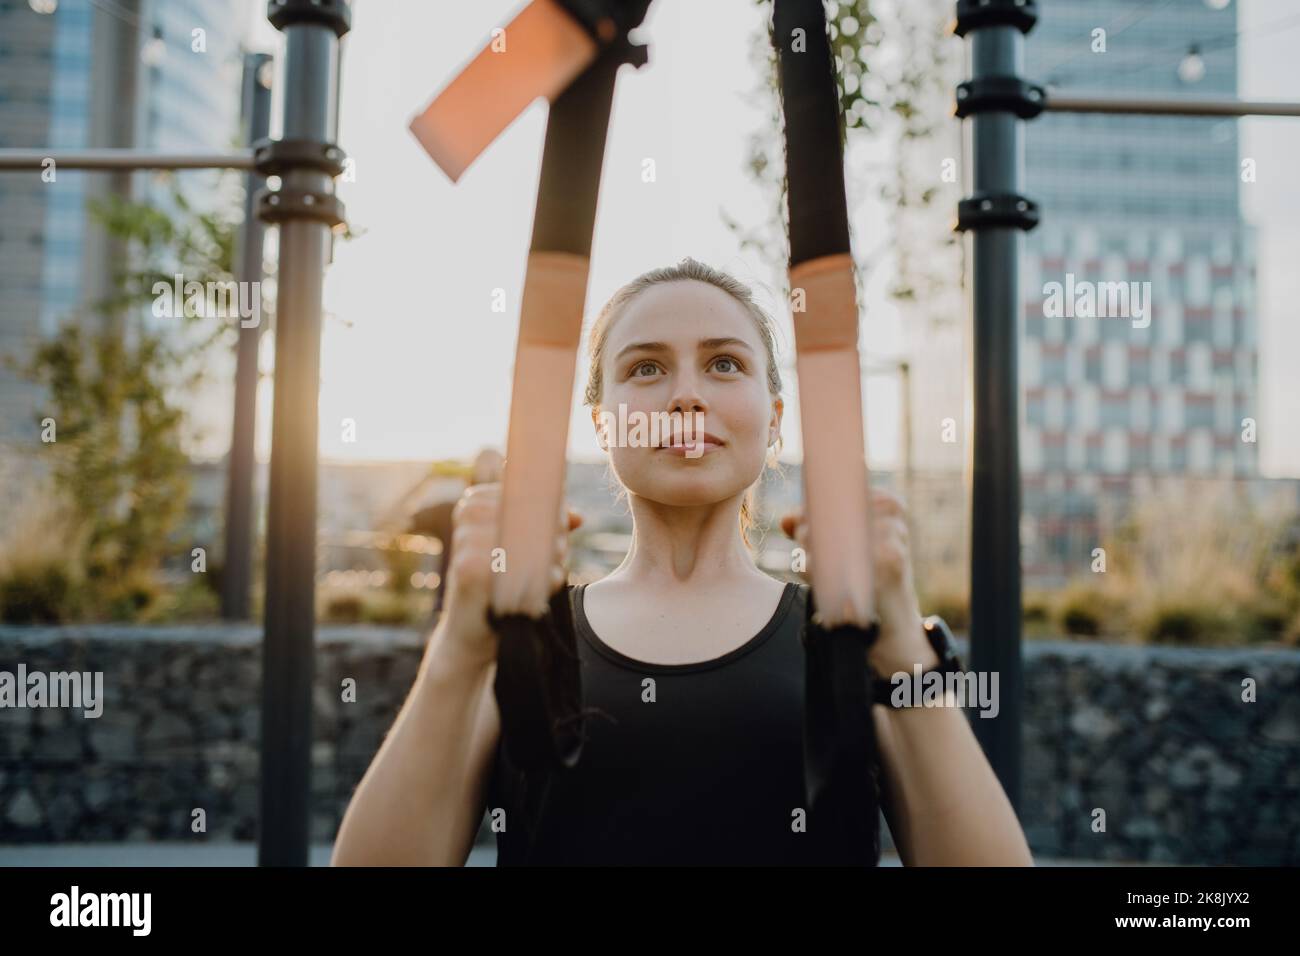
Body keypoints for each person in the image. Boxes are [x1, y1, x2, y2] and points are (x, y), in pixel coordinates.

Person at [332, 258, 1034, 866]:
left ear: (776, 415)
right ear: (603, 422)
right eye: (646, 368)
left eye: (724, 363)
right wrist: (458, 645)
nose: (687, 395)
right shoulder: (523, 636)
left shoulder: (851, 637)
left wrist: (903, 639)